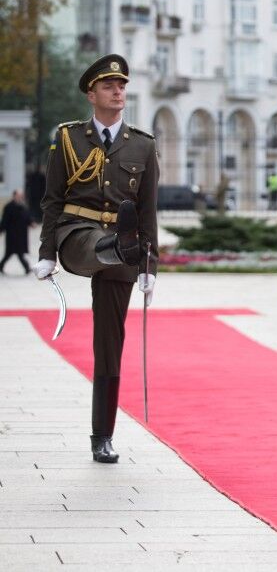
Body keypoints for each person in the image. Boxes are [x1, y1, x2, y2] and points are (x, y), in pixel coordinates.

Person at [35, 53, 159, 463]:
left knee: (110, 343)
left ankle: (101, 436)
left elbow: (148, 210)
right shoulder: (69, 138)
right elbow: (53, 199)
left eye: (122, 86)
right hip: (77, 233)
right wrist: (46, 253)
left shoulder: (142, 144)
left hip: (126, 246)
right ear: (92, 94)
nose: (118, 91)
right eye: (109, 86)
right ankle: (115, 247)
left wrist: (148, 264)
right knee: (96, 245)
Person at [0, 190, 32, 274]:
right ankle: (27, 268)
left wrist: (31, 223)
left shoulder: (23, 206)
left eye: (21, 195)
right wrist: (1, 230)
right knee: (12, 253)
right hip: (12, 235)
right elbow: (4, 221)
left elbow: (27, 217)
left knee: (15, 253)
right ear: (14, 196)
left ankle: (26, 268)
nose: (20, 197)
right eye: (19, 195)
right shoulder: (8, 207)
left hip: (21, 235)